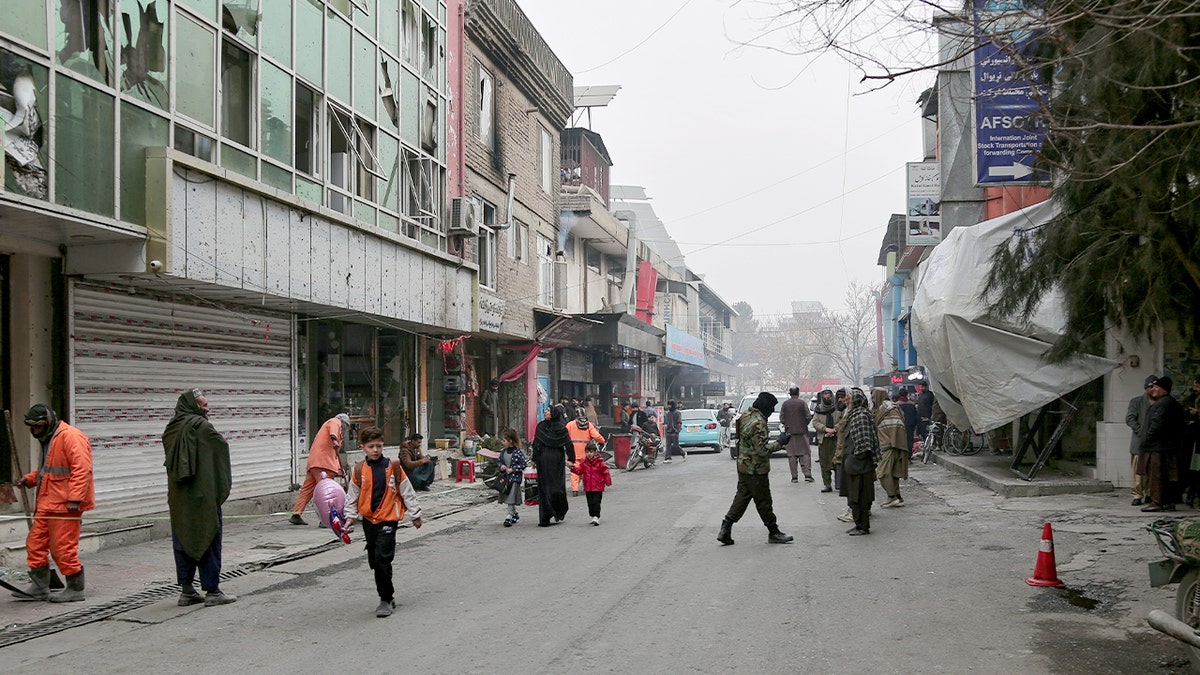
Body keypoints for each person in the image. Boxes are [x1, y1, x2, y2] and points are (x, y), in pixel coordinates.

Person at [11, 405, 94, 603]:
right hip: (48, 503)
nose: (34, 432)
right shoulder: (50, 439)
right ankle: (39, 587)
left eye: (37, 427)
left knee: (63, 548)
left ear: (48, 423)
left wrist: (75, 498)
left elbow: (82, 469)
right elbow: (49, 470)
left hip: (65, 505)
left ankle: (75, 588)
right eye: (32, 427)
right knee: (35, 544)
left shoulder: (71, 437)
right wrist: (31, 479)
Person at [162, 389, 236, 607]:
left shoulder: (171, 429)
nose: (207, 409)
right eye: (203, 405)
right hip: (203, 496)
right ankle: (212, 591)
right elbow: (221, 449)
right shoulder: (202, 427)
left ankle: (187, 592)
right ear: (192, 406)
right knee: (209, 538)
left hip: (180, 499)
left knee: (183, 541)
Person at [343, 426, 423, 617]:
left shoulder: (393, 467)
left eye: (379, 446)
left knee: (382, 560)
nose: (376, 450)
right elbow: (352, 496)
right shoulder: (359, 470)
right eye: (371, 446)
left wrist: (415, 514)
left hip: (388, 519)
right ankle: (388, 593)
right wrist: (349, 517)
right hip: (369, 520)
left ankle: (385, 599)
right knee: (374, 560)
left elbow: (407, 491)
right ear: (363, 447)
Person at [717, 392, 794, 546]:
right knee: (764, 500)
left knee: (742, 497)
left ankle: (726, 528)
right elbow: (762, 450)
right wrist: (780, 442)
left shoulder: (744, 416)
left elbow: (738, 438)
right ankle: (774, 531)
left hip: (743, 466)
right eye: (772, 408)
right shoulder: (759, 423)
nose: (772, 411)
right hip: (756, 469)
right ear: (766, 407)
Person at [290, 413, 350, 525]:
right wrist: (334, 439)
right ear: (343, 423)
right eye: (345, 426)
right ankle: (326, 518)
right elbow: (333, 431)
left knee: (307, 490)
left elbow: (334, 453)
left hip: (315, 463)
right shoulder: (335, 422)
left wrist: (338, 469)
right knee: (327, 492)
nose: (345, 429)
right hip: (323, 464)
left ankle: (296, 514)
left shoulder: (328, 429)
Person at [1139, 375, 1187, 512]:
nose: (1153, 389)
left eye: (1156, 387)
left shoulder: (1162, 404)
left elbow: (1156, 426)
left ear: (1163, 389)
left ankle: (1157, 502)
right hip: (1168, 446)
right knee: (1169, 476)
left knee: (1157, 476)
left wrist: (1146, 439)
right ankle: (1168, 502)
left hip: (1158, 447)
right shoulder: (1172, 403)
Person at [843, 388, 880, 535]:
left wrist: (855, 459)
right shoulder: (855, 414)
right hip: (856, 464)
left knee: (861, 496)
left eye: (850, 398)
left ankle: (863, 526)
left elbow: (865, 443)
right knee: (854, 496)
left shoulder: (860, 416)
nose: (847, 400)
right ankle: (858, 524)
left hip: (860, 465)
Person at [532, 405, 572, 526]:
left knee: (556, 488)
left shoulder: (561, 428)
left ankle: (559, 510)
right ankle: (545, 517)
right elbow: (536, 444)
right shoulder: (541, 427)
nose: (545, 412)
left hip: (557, 461)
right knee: (544, 489)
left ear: (554, 413)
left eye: (548, 410)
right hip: (543, 461)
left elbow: (568, 444)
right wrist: (534, 459)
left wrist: (572, 459)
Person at [872, 388, 909, 507]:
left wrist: (891, 440)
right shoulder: (884, 408)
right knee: (893, 472)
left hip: (889, 444)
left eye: (873, 397)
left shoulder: (887, 408)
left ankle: (892, 496)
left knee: (882, 472)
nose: (872, 399)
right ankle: (897, 497)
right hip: (891, 443)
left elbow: (896, 425)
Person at [1126, 376, 1155, 506]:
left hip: (1154, 444)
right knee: (1138, 472)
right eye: (1151, 387)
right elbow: (1130, 418)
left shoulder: (1160, 402)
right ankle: (1137, 494)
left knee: (1152, 471)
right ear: (1146, 388)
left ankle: (1150, 493)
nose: (1153, 389)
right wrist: (1141, 431)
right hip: (1139, 443)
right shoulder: (1136, 401)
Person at [570, 441, 612, 525]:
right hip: (588, 487)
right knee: (590, 503)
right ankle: (593, 515)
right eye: (587, 452)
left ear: (595, 452)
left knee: (596, 502)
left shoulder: (600, 462)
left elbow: (605, 472)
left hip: (598, 486)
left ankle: (596, 516)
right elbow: (579, 471)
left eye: (591, 452)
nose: (589, 454)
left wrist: (608, 482)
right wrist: (572, 468)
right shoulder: (584, 463)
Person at [566, 409, 605, 495]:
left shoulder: (570, 425)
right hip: (586, 452)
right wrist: (602, 441)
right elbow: (596, 436)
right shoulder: (588, 425)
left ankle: (575, 489)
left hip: (573, 452)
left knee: (574, 470)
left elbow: (564, 436)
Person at [780, 387, 813, 483]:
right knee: (805, 453)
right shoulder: (802, 403)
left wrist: (787, 425)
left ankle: (794, 477)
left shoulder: (785, 404)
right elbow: (808, 416)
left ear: (790, 393)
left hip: (789, 432)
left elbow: (782, 418)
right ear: (798, 393)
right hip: (802, 431)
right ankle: (807, 475)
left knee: (791, 455)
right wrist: (803, 423)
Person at [811, 390, 839, 493]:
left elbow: (843, 421)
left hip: (836, 439)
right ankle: (827, 484)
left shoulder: (838, 409)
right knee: (824, 462)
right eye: (825, 398)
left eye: (829, 397)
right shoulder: (818, 410)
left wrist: (835, 429)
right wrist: (825, 429)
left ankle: (838, 483)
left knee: (837, 462)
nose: (828, 399)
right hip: (823, 439)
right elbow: (815, 422)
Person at [497, 428, 526, 527]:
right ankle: (514, 513)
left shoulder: (518, 452)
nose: (502, 442)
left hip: (515, 479)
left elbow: (523, 464)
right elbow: (499, 462)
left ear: (510, 441)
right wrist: (501, 466)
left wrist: (513, 469)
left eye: (504, 440)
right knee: (508, 496)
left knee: (511, 497)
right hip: (505, 479)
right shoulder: (502, 452)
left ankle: (509, 515)